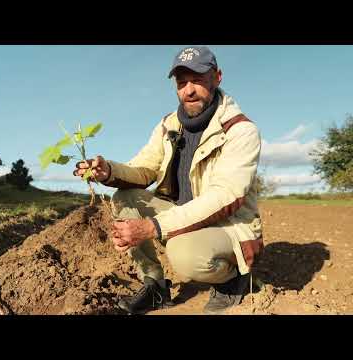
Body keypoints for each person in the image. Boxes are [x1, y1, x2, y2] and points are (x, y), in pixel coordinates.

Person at [73, 46, 263, 314]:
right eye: (182, 82)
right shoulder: (168, 125)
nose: (189, 90)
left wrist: (154, 227)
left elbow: (226, 197)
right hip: (182, 216)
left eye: (197, 80)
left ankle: (233, 279)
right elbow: (143, 169)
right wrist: (109, 171)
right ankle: (155, 286)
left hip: (228, 226)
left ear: (217, 77)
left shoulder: (240, 131)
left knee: (183, 254)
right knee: (125, 197)